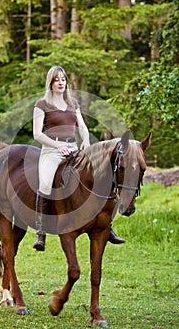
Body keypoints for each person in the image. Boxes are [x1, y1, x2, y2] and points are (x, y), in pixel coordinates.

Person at [33, 65, 125, 251]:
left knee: (99, 177)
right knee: (45, 182)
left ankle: (108, 227)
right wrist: (57, 145)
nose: (61, 83)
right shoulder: (42, 105)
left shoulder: (72, 103)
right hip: (52, 150)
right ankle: (41, 232)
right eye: (57, 80)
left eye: (63, 79)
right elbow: (37, 134)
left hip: (74, 148)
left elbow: (82, 127)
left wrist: (86, 141)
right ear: (50, 83)